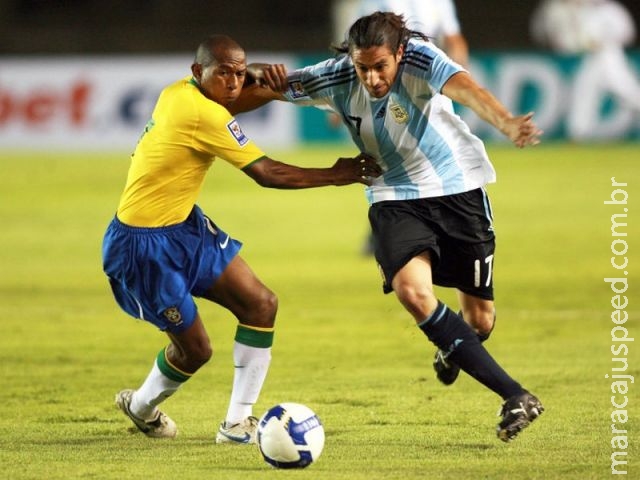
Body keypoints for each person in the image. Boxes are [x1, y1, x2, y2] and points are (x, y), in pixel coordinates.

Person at [234, 12, 544, 442]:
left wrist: (506, 122)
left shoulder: (420, 59)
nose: (373, 78)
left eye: (381, 66)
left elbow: (467, 90)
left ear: (399, 53)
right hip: (391, 195)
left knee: (479, 323)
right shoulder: (336, 77)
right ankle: (515, 395)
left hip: (457, 189)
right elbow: (261, 90)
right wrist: (252, 75)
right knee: (413, 292)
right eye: (364, 67)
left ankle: (454, 346)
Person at [102, 34, 381, 443]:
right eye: (225, 74)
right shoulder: (201, 114)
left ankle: (236, 425)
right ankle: (141, 406)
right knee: (195, 351)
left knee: (260, 303)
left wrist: (261, 78)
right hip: (142, 248)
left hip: (184, 227)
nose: (234, 83)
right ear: (199, 73)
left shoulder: (178, 91)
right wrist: (337, 174)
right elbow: (267, 174)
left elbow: (234, 93)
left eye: (239, 72)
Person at [531, 0, 640, 141]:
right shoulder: (581, 11)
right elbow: (571, 40)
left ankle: (578, 132)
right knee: (584, 93)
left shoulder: (611, 9)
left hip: (609, 54)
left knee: (627, 92)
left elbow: (628, 33)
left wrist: (605, 41)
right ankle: (578, 134)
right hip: (591, 58)